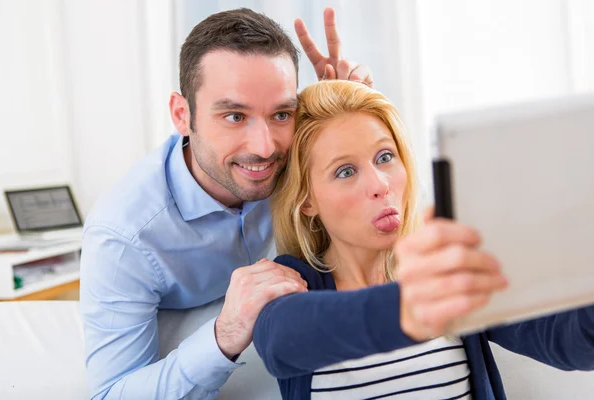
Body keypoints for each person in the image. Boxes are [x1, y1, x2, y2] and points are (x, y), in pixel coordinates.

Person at [80, 7, 373, 400]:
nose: (264, 147)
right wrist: (226, 332)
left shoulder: (300, 156)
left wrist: (345, 117)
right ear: (182, 115)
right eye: (235, 116)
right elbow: (111, 393)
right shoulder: (123, 235)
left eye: (281, 113)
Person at [253, 80, 594, 399]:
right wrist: (408, 309)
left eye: (385, 157)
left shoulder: (450, 271)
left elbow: (574, 343)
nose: (381, 184)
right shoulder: (290, 283)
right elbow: (282, 342)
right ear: (307, 200)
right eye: (345, 171)